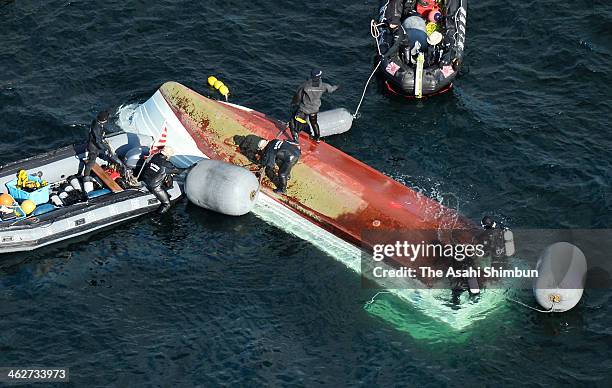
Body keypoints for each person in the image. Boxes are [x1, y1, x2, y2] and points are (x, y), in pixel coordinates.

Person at [234, 134, 300, 194]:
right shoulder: (273, 141)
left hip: (291, 158)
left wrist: (261, 163)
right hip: (296, 151)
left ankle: (282, 189)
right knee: (279, 160)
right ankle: (287, 174)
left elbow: (269, 164)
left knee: (281, 174)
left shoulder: (269, 151)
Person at [289, 69, 338, 143]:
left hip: (304, 109)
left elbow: (298, 95)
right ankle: (317, 138)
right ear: (319, 77)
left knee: (293, 121)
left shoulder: (305, 85)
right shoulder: (324, 86)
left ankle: (295, 140)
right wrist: (337, 86)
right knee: (314, 123)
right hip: (314, 109)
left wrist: (293, 103)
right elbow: (331, 89)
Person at [83, 111, 128, 178]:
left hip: (94, 143)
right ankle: (86, 176)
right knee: (91, 162)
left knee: (106, 153)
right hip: (93, 146)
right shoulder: (97, 128)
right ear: (104, 120)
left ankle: (109, 162)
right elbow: (98, 141)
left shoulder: (95, 122)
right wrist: (105, 149)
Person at [140, 146, 181, 214]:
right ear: (168, 155)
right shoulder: (166, 164)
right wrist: (192, 167)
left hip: (145, 180)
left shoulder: (155, 156)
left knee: (164, 175)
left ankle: (165, 193)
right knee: (167, 204)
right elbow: (180, 171)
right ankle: (157, 218)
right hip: (154, 187)